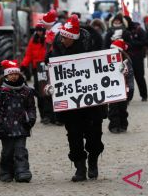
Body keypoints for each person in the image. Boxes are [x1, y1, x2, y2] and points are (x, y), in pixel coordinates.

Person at [45, 14, 107, 182]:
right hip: (70, 105)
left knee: (95, 135)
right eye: (62, 37)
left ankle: (93, 160)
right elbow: (49, 70)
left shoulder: (93, 47)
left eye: (66, 37)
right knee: (74, 136)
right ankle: (80, 166)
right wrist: (49, 85)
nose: (63, 40)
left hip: (92, 102)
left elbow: (106, 67)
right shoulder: (56, 49)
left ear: (73, 38)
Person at [0, 59, 36, 183]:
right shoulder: (0, 92)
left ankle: (22, 172)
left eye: (16, 74)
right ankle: (5, 171)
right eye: (11, 74)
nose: (14, 76)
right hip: (6, 127)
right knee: (8, 152)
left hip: (22, 126)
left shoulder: (26, 91)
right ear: (6, 75)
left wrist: (31, 119)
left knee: (21, 150)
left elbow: (31, 107)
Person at [20, 22, 48, 124]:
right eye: (38, 30)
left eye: (41, 30)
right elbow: (29, 55)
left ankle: (51, 115)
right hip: (38, 70)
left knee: (49, 92)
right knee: (40, 93)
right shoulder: (33, 41)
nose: (39, 32)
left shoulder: (48, 40)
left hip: (47, 68)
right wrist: (23, 65)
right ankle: (44, 115)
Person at [107, 40, 134, 133]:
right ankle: (114, 125)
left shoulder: (126, 62)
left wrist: (131, 89)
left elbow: (130, 77)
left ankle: (123, 124)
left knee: (122, 108)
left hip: (124, 89)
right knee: (113, 108)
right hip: (112, 88)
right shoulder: (106, 60)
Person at [124, 16, 148, 102]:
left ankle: (144, 95)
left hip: (137, 56)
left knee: (139, 76)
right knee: (125, 78)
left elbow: (144, 41)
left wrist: (132, 43)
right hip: (125, 57)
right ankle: (126, 97)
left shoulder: (138, 29)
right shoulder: (123, 31)